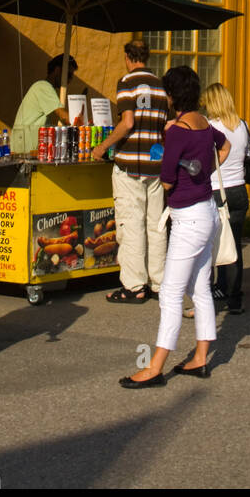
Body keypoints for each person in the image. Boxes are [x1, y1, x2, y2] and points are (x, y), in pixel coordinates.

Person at [120, 65, 230, 387]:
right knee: (199, 289)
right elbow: (226, 146)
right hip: (207, 212)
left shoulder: (178, 131)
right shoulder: (204, 125)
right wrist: (206, 171)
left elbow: (166, 181)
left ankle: (155, 368)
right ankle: (200, 358)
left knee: (170, 293)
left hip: (188, 219)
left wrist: (177, 159)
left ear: (171, 96)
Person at [93, 41, 170, 304]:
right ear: (146, 57)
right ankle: (159, 282)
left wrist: (103, 146)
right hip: (155, 164)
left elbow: (127, 123)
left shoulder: (126, 82)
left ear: (127, 57)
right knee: (156, 226)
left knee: (131, 224)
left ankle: (134, 286)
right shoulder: (161, 85)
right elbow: (166, 124)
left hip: (129, 165)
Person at [203, 83, 248, 313]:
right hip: (239, 190)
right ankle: (234, 298)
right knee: (234, 246)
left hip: (217, 190)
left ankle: (208, 296)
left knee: (211, 246)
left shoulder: (211, 127)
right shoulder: (243, 126)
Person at [10, 54, 78, 155]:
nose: (70, 80)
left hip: (29, 145)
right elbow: (63, 115)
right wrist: (80, 123)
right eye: (68, 75)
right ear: (57, 70)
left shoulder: (45, 88)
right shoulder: (43, 86)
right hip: (25, 147)